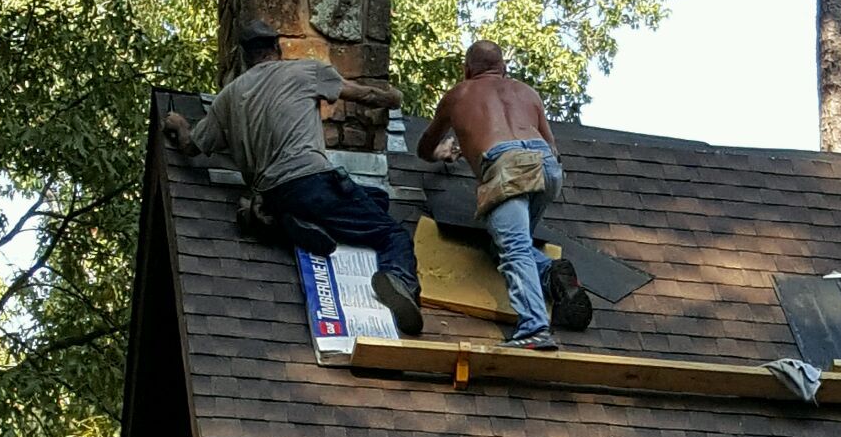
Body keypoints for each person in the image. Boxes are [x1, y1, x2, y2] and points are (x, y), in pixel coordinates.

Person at [163, 20, 423, 335]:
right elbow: (364, 95)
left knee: (376, 199)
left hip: (271, 194)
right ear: (279, 48)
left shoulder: (227, 98)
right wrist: (393, 98)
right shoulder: (306, 71)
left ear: (246, 57)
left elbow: (192, 146)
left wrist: (178, 123)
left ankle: (290, 222)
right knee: (393, 235)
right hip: (314, 181)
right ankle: (400, 282)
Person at [416, 43, 591, 351]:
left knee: (514, 249)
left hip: (506, 165)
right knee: (507, 245)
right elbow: (550, 147)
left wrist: (442, 151)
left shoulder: (459, 94)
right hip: (547, 168)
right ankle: (551, 272)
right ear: (504, 67)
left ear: (467, 69)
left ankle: (534, 328)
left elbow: (424, 147)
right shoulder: (527, 92)